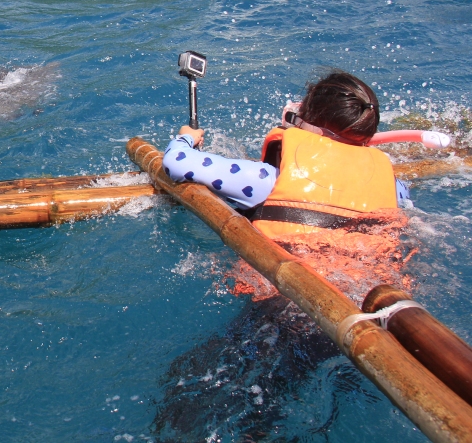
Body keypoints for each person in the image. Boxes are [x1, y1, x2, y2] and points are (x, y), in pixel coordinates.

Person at [162, 70, 411, 299]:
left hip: (283, 304)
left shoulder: (266, 180)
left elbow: (177, 163)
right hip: (371, 294)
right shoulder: (394, 187)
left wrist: (187, 137)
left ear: (303, 122)